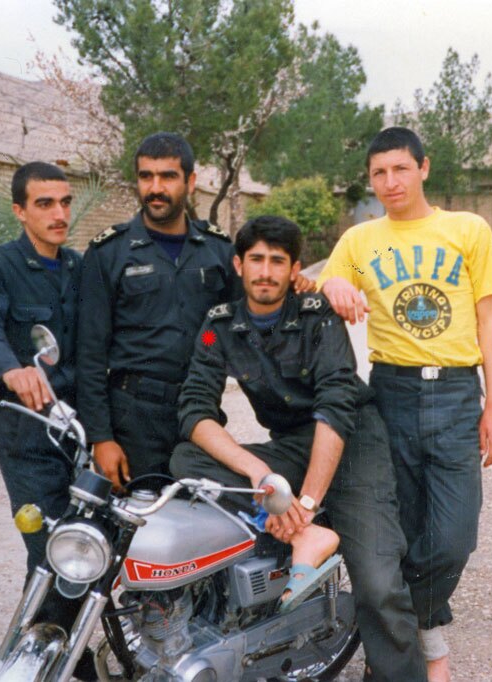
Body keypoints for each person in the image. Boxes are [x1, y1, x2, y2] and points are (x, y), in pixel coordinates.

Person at [170, 215, 427, 681]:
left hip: (353, 446)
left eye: (277, 261)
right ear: (238, 265)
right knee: (186, 459)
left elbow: (335, 408)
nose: (265, 272)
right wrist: (260, 476)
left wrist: (305, 502)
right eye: (256, 260)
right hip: (292, 446)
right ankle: (298, 537)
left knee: (378, 584)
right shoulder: (218, 326)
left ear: (294, 269)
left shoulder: (317, 314)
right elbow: (195, 411)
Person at [318, 127, 492, 682]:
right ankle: (403, 656)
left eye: (400, 168)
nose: (390, 182)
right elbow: (326, 282)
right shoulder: (361, 241)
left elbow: (490, 320)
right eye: (379, 173)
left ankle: (414, 627)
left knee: (453, 538)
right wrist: (333, 287)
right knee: (397, 531)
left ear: (423, 168)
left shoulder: (466, 229)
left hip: (455, 394)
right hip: (391, 394)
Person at [78, 132, 311, 490]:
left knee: (204, 514)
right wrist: (101, 437)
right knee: (139, 517)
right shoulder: (108, 253)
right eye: (146, 176)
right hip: (132, 419)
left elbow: (255, 312)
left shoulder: (218, 250)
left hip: (200, 415)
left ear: (190, 182)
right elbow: (89, 353)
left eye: (168, 176)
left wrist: (298, 287)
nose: (155, 188)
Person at [0, 162, 97, 680]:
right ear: (20, 211)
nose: (59, 213)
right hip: (29, 431)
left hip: (82, 430)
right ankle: (42, 660)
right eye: (45, 204)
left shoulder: (80, 267)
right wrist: (12, 370)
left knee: (89, 547)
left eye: (65, 202)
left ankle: (57, 650)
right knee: (52, 551)